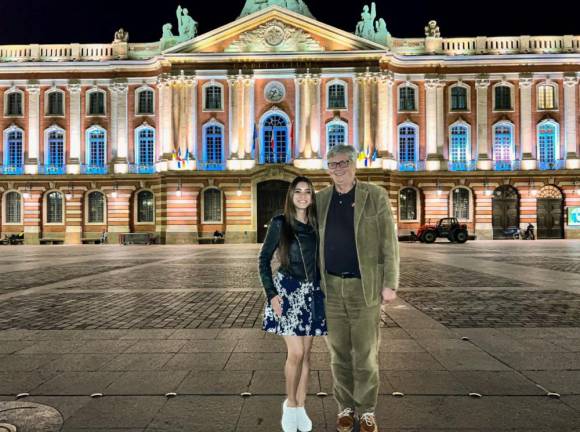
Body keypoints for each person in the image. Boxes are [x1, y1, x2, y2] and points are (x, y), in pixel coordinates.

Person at [317, 144, 399, 432]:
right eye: (332, 164)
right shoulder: (321, 199)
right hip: (331, 287)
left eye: (342, 163)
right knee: (338, 353)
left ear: (354, 165)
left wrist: (390, 283)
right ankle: (346, 407)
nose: (337, 169)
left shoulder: (374, 196)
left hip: (364, 287)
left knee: (365, 353)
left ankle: (367, 411)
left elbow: (389, 242)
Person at [259, 176, 327, 432]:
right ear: (290, 195)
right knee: (296, 353)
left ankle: (301, 406)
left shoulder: (316, 225)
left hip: (312, 295)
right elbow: (263, 259)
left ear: (312, 197)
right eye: (297, 191)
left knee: (307, 356)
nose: (302, 196)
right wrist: (271, 293)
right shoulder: (280, 223)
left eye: (307, 192)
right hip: (287, 292)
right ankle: (289, 405)